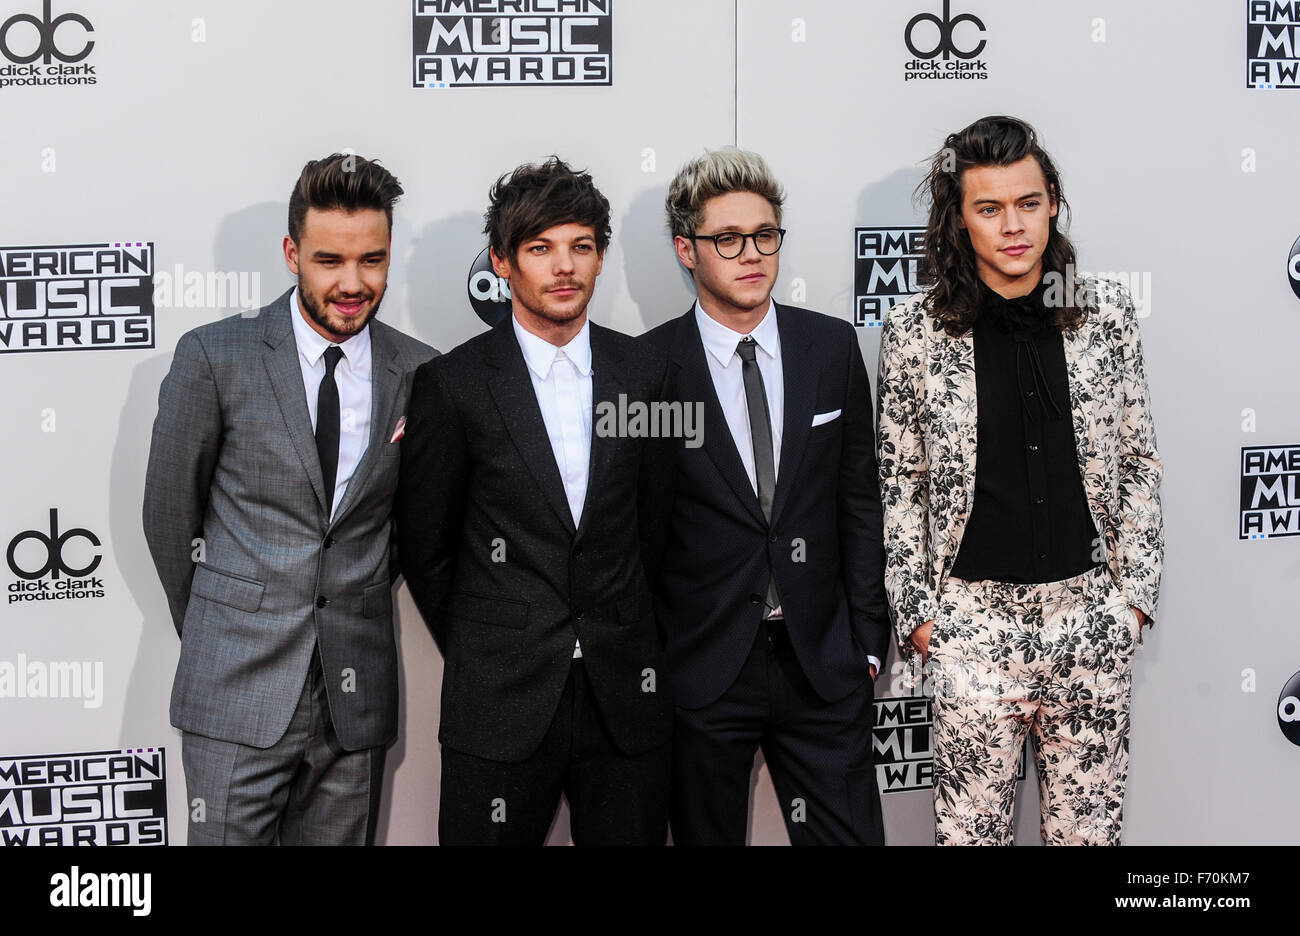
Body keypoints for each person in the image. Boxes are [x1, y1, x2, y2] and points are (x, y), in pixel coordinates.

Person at [876, 115, 1164, 845]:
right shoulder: (916, 332)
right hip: (970, 630)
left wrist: (1133, 601)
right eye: (989, 208)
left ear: (1053, 202)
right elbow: (900, 482)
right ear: (959, 218)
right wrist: (921, 618)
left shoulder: (1106, 314)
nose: (1013, 226)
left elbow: (1138, 461)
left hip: (1090, 621)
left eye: (1028, 203)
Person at [143, 153, 436, 845]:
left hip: (354, 697)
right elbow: (169, 518)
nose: (352, 283)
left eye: (372, 260)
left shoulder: (420, 371)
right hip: (234, 688)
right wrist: (223, 621)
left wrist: (351, 595)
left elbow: (409, 530)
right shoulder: (216, 357)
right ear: (291, 253)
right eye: (329, 260)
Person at [396, 157, 673, 845]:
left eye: (581, 246)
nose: (564, 267)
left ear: (601, 258)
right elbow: (427, 549)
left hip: (624, 699)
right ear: (502, 262)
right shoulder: (453, 384)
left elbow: (658, 528)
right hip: (499, 700)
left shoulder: (646, 374)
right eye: (540, 248)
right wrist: (489, 642)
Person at [642, 148, 889, 845]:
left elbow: (859, 502)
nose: (751, 254)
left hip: (823, 664)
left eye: (765, 235)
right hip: (705, 671)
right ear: (687, 250)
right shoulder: (650, 368)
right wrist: (661, 661)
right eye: (727, 239)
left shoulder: (830, 348)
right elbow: (639, 532)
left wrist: (867, 642)